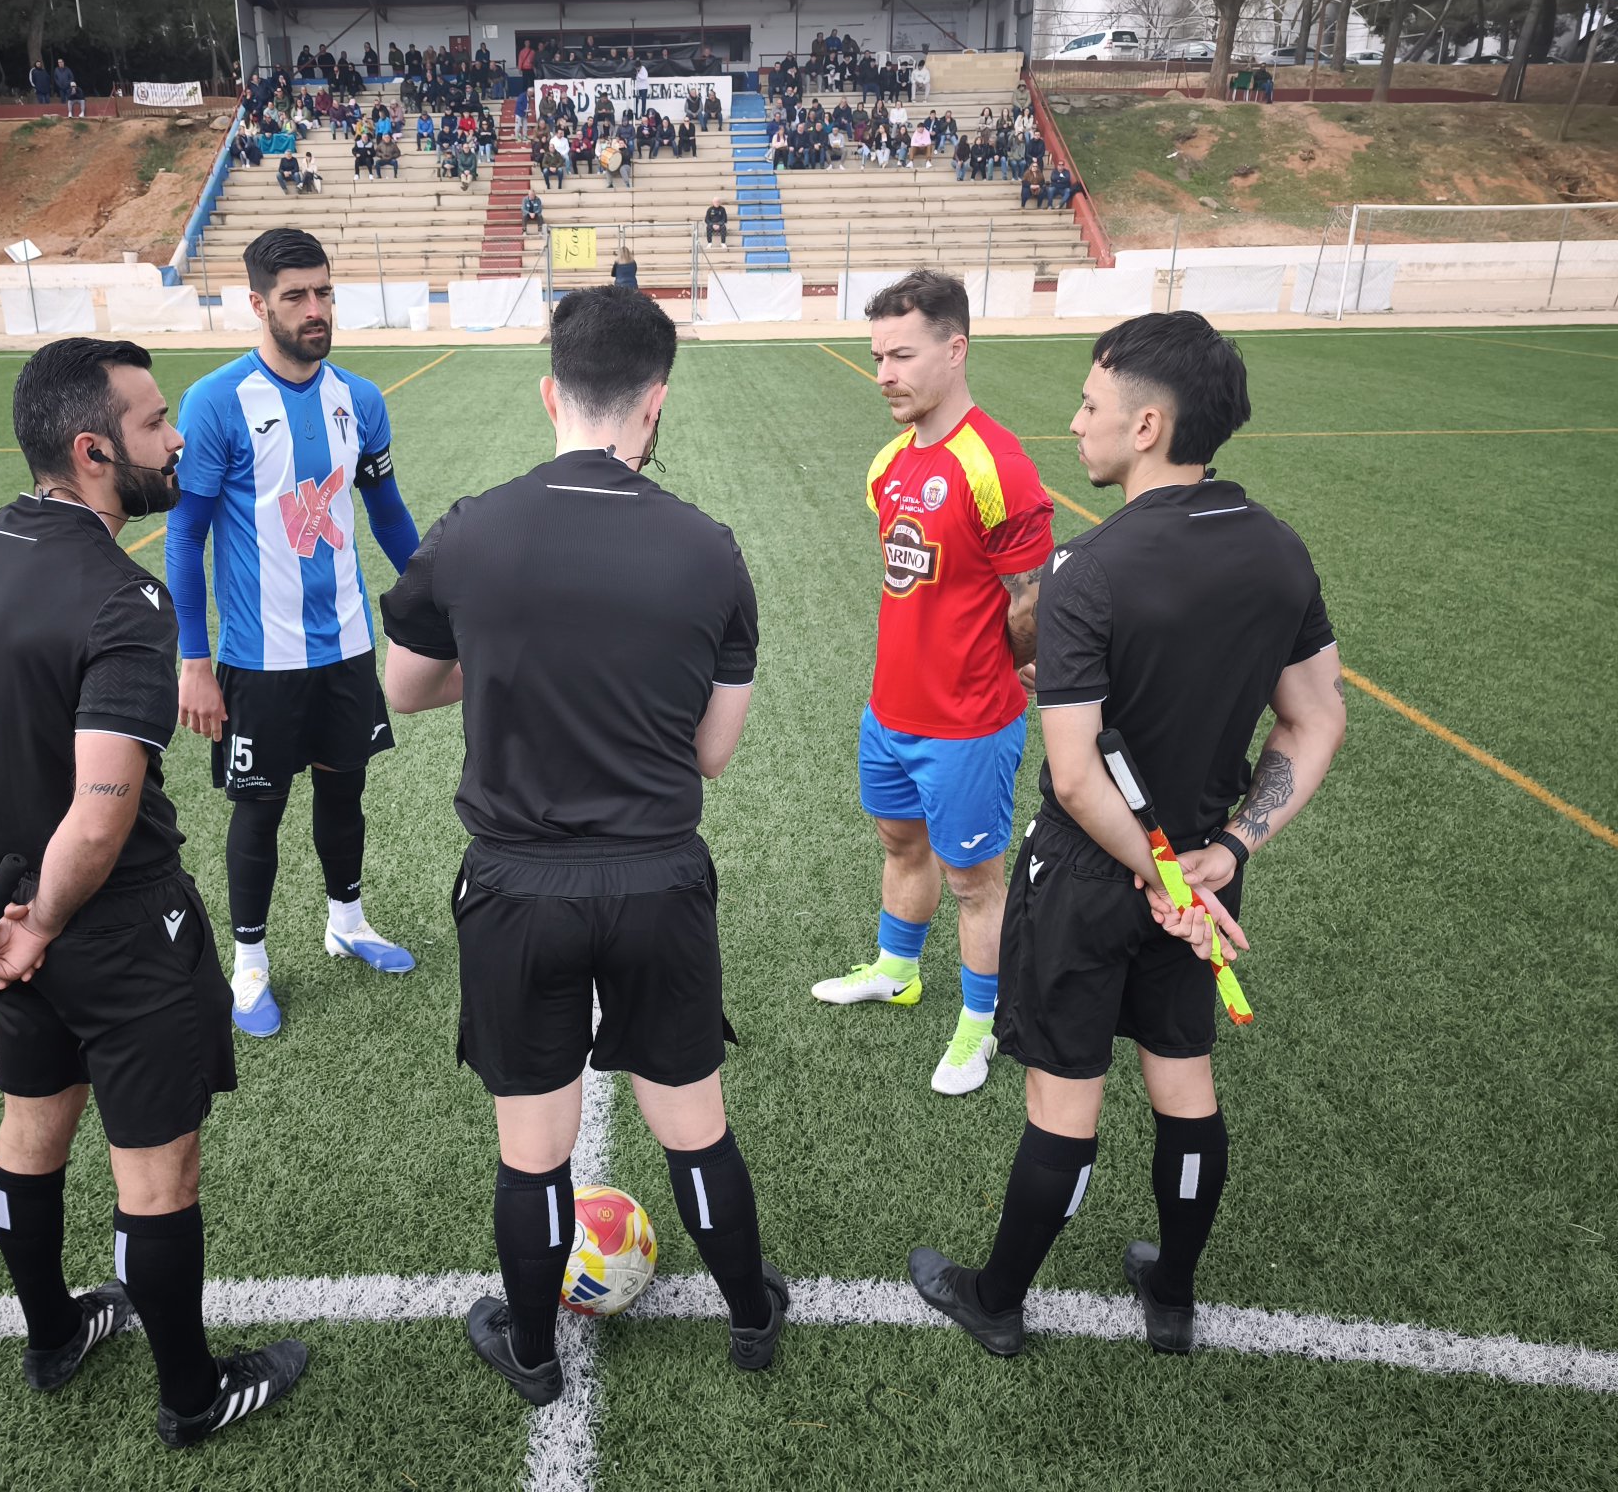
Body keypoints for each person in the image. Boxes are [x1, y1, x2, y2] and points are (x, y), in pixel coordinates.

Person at [0, 337, 307, 1448]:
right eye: (155, 423)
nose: (173, 440)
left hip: (8, 921)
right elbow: (103, 805)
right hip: (110, 926)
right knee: (154, 1171)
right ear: (90, 451)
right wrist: (40, 923)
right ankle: (190, 1397)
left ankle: (53, 1334)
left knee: (31, 1132)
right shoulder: (127, 596)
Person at [377, 286, 787, 1408]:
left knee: (533, 1145)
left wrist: (513, 660)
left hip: (516, 887)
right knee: (692, 1122)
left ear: (548, 391)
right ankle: (750, 1317)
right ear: (654, 404)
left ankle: (532, 1351)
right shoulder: (707, 548)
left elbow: (404, 686)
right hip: (658, 877)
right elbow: (711, 753)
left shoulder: (473, 530)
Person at [910, 310, 1346, 1358]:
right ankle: (1173, 1296)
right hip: (1198, 869)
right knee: (1181, 1079)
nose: (1074, 424)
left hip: (1090, 874)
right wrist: (1222, 858)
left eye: (1090, 405)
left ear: (1146, 424)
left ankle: (996, 1298)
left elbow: (1071, 770)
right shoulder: (1276, 551)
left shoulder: (1084, 571)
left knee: (1065, 1099)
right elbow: (1313, 717)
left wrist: (1164, 876)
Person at [164, 229, 423, 1039]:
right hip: (255, 658)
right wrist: (193, 660)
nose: (316, 311)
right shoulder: (216, 402)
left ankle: (346, 920)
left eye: (324, 293)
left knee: (346, 789)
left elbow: (385, 513)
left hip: (345, 646)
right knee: (259, 811)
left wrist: (437, 595)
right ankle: (249, 965)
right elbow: (185, 537)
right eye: (296, 297)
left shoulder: (361, 399)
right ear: (257, 304)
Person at [810, 271, 1055, 1099]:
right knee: (898, 844)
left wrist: (1015, 662)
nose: (883, 371)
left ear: (955, 350)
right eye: (876, 354)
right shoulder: (888, 465)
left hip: (969, 723)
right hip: (891, 713)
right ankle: (898, 968)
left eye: (901, 354)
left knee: (972, 883)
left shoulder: (1000, 466)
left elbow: (1035, 597)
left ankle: (980, 1027)